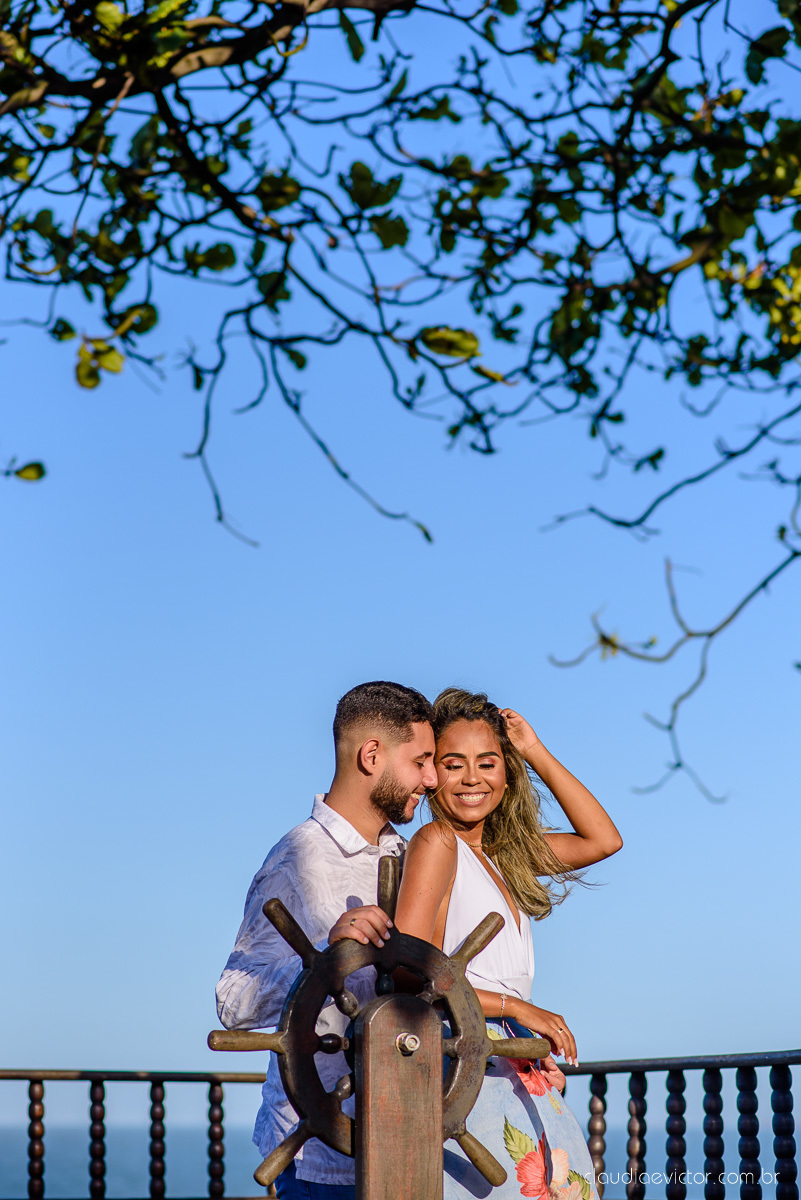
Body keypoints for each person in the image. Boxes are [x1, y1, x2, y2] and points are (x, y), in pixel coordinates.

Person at [394, 687, 623, 1200]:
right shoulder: (437, 843)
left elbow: (604, 840)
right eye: (453, 764)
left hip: (517, 1066)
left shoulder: (505, 855)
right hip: (467, 1064)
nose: (472, 778)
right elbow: (409, 972)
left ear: (508, 771)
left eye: (488, 763)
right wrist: (516, 1007)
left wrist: (535, 751)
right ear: (432, 774)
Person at [216, 680, 436, 1200]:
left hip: (408, 1146)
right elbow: (232, 1002)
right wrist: (319, 964)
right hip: (320, 1157)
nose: (431, 778)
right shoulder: (298, 858)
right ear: (372, 754)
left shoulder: (413, 857)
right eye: (421, 761)